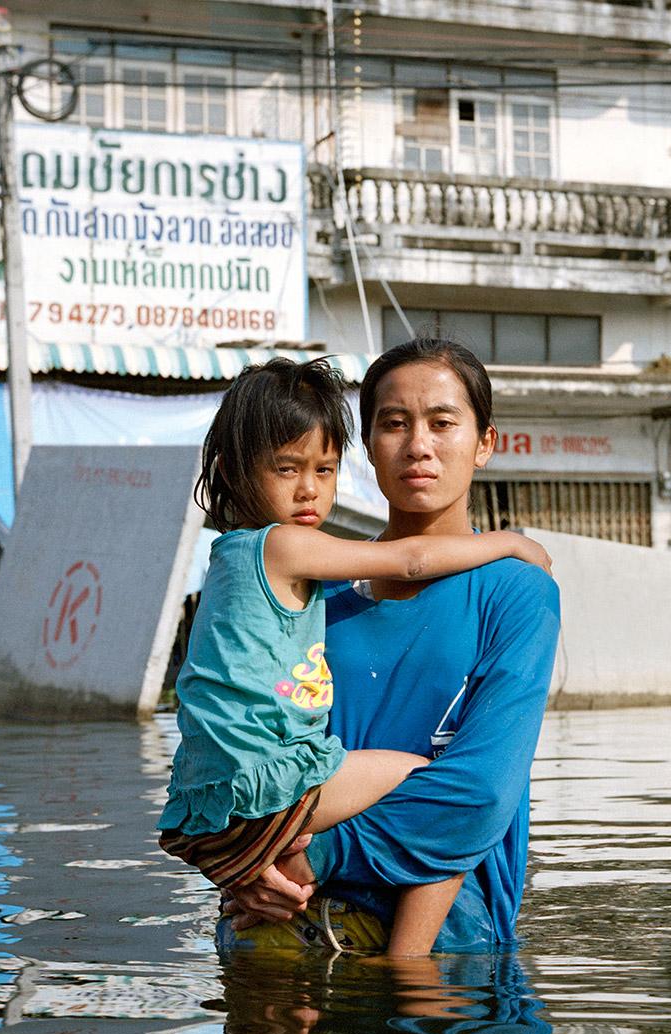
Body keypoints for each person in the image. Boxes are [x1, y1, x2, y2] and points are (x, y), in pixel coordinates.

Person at [157, 358, 551, 958]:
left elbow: (481, 794)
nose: (419, 445)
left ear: (485, 443)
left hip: (446, 944)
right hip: (276, 922)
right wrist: (247, 873)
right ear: (367, 445)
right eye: (395, 423)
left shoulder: (516, 594)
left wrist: (309, 855)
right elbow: (244, 748)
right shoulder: (313, 596)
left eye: (443, 423)